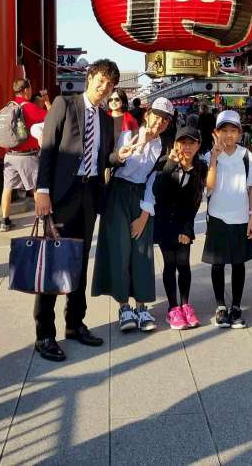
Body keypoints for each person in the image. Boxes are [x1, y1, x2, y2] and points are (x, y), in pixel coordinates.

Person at [34, 59, 119, 362]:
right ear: (90, 77)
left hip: (89, 195)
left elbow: (103, 159)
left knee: (80, 262)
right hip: (61, 197)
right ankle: (45, 334)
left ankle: (74, 323)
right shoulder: (65, 104)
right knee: (54, 263)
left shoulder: (106, 119)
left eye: (110, 85)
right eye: (101, 81)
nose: (104, 88)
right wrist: (42, 191)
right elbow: (48, 149)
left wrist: (118, 156)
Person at [92, 97, 174, 333]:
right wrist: (140, 144)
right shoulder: (128, 136)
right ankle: (124, 307)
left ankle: (142, 306)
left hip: (141, 198)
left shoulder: (163, 147)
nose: (159, 123)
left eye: (165, 120)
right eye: (156, 117)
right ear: (147, 115)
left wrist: (145, 215)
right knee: (120, 249)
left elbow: (153, 181)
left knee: (142, 252)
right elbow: (121, 166)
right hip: (118, 194)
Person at [202, 110, 252, 330]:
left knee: (238, 263)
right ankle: (220, 306)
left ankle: (236, 306)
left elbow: (251, 188)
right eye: (224, 130)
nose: (229, 134)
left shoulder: (246, 155)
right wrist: (214, 158)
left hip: (241, 216)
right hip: (217, 215)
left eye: (233, 130)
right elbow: (209, 186)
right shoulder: (209, 156)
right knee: (218, 263)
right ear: (216, 133)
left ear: (240, 133)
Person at [153, 127, 207, 329]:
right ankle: (173, 308)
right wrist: (170, 164)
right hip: (165, 224)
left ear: (198, 145)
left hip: (184, 224)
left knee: (183, 264)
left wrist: (187, 228)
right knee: (170, 264)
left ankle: (185, 305)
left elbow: (195, 201)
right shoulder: (164, 163)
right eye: (183, 143)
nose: (187, 147)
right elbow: (157, 191)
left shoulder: (200, 167)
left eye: (191, 143)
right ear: (175, 144)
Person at [0, 79, 50, 232]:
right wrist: (47, 102)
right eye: (30, 88)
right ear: (26, 90)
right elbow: (51, 118)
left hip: (9, 155)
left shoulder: (9, 106)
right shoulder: (28, 107)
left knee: (7, 188)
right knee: (37, 188)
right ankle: (43, 219)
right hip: (27, 157)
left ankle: (5, 222)